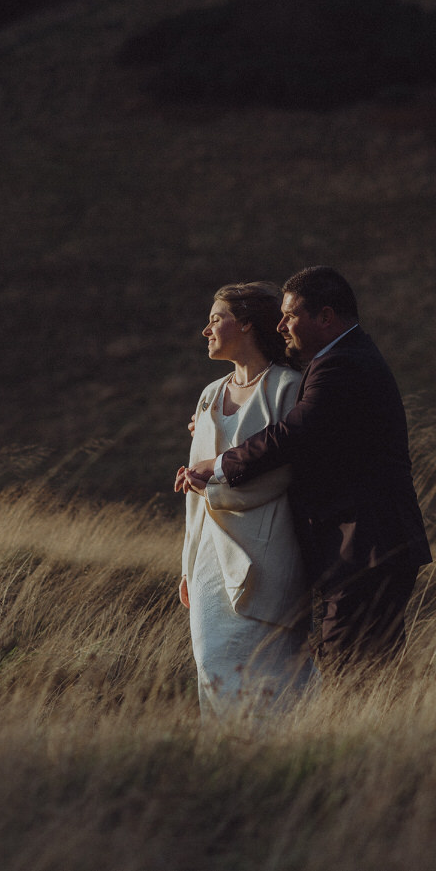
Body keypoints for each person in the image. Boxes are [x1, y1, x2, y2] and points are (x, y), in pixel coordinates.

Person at [179, 266, 432, 672]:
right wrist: (213, 428)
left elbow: (294, 432)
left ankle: (359, 734)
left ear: (326, 317)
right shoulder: (338, 360)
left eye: (291, 315)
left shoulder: (340, 365)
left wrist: (221, 464)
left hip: (364, 544)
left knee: (352, 668)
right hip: (361, 547)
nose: (281, 326)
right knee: (361, 666)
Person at [174, 281, 313, 722]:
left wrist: (209, 482)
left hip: (268, 553)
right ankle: (229, 764)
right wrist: (187, 564)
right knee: (211, 662)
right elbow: (194, 497)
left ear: (248, 324)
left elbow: (282, 474)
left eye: (217, 318)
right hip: (209, 559)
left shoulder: (287, 387)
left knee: (267, 668)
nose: (206, 329)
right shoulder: (210, 395)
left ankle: (279, 757)